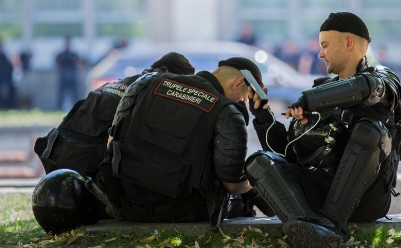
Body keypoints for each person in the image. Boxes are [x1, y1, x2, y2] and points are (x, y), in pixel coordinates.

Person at [245, 12, 401, 248]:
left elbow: (367, 88)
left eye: (325, 45)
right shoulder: (321, 90)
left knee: (370, 131)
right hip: (321, 188)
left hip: (367, 198)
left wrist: (309, 100)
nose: (320, 53)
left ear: (348, 43)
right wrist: (263, 116)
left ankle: (329, 226)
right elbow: (286, 156)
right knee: (260, 162)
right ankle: (308, 229)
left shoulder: (383, 78)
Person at [99, 57, 273, 226]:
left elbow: (113, 140)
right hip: (180, 211)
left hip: (129, 202)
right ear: (238, 83)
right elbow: (233, 182)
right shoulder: (226, 111)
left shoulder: (148, 82)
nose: (241, 103)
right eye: (243, 98)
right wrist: (251, 185)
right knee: (243, 193)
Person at [35, 52, 197, 180]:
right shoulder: (152, 95)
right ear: (168, 72)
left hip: (58, 162)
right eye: (180, 82)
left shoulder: (116, 83)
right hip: (87, 171)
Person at [55, 36, 84, 111]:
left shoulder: (74, 54)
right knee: (61, 94)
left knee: (75, 94)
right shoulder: (61, 54)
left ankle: (76, 109)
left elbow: (79, 64)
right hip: (63, 76)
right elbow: (57, 64)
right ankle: (59, 108)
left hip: (72, 76)